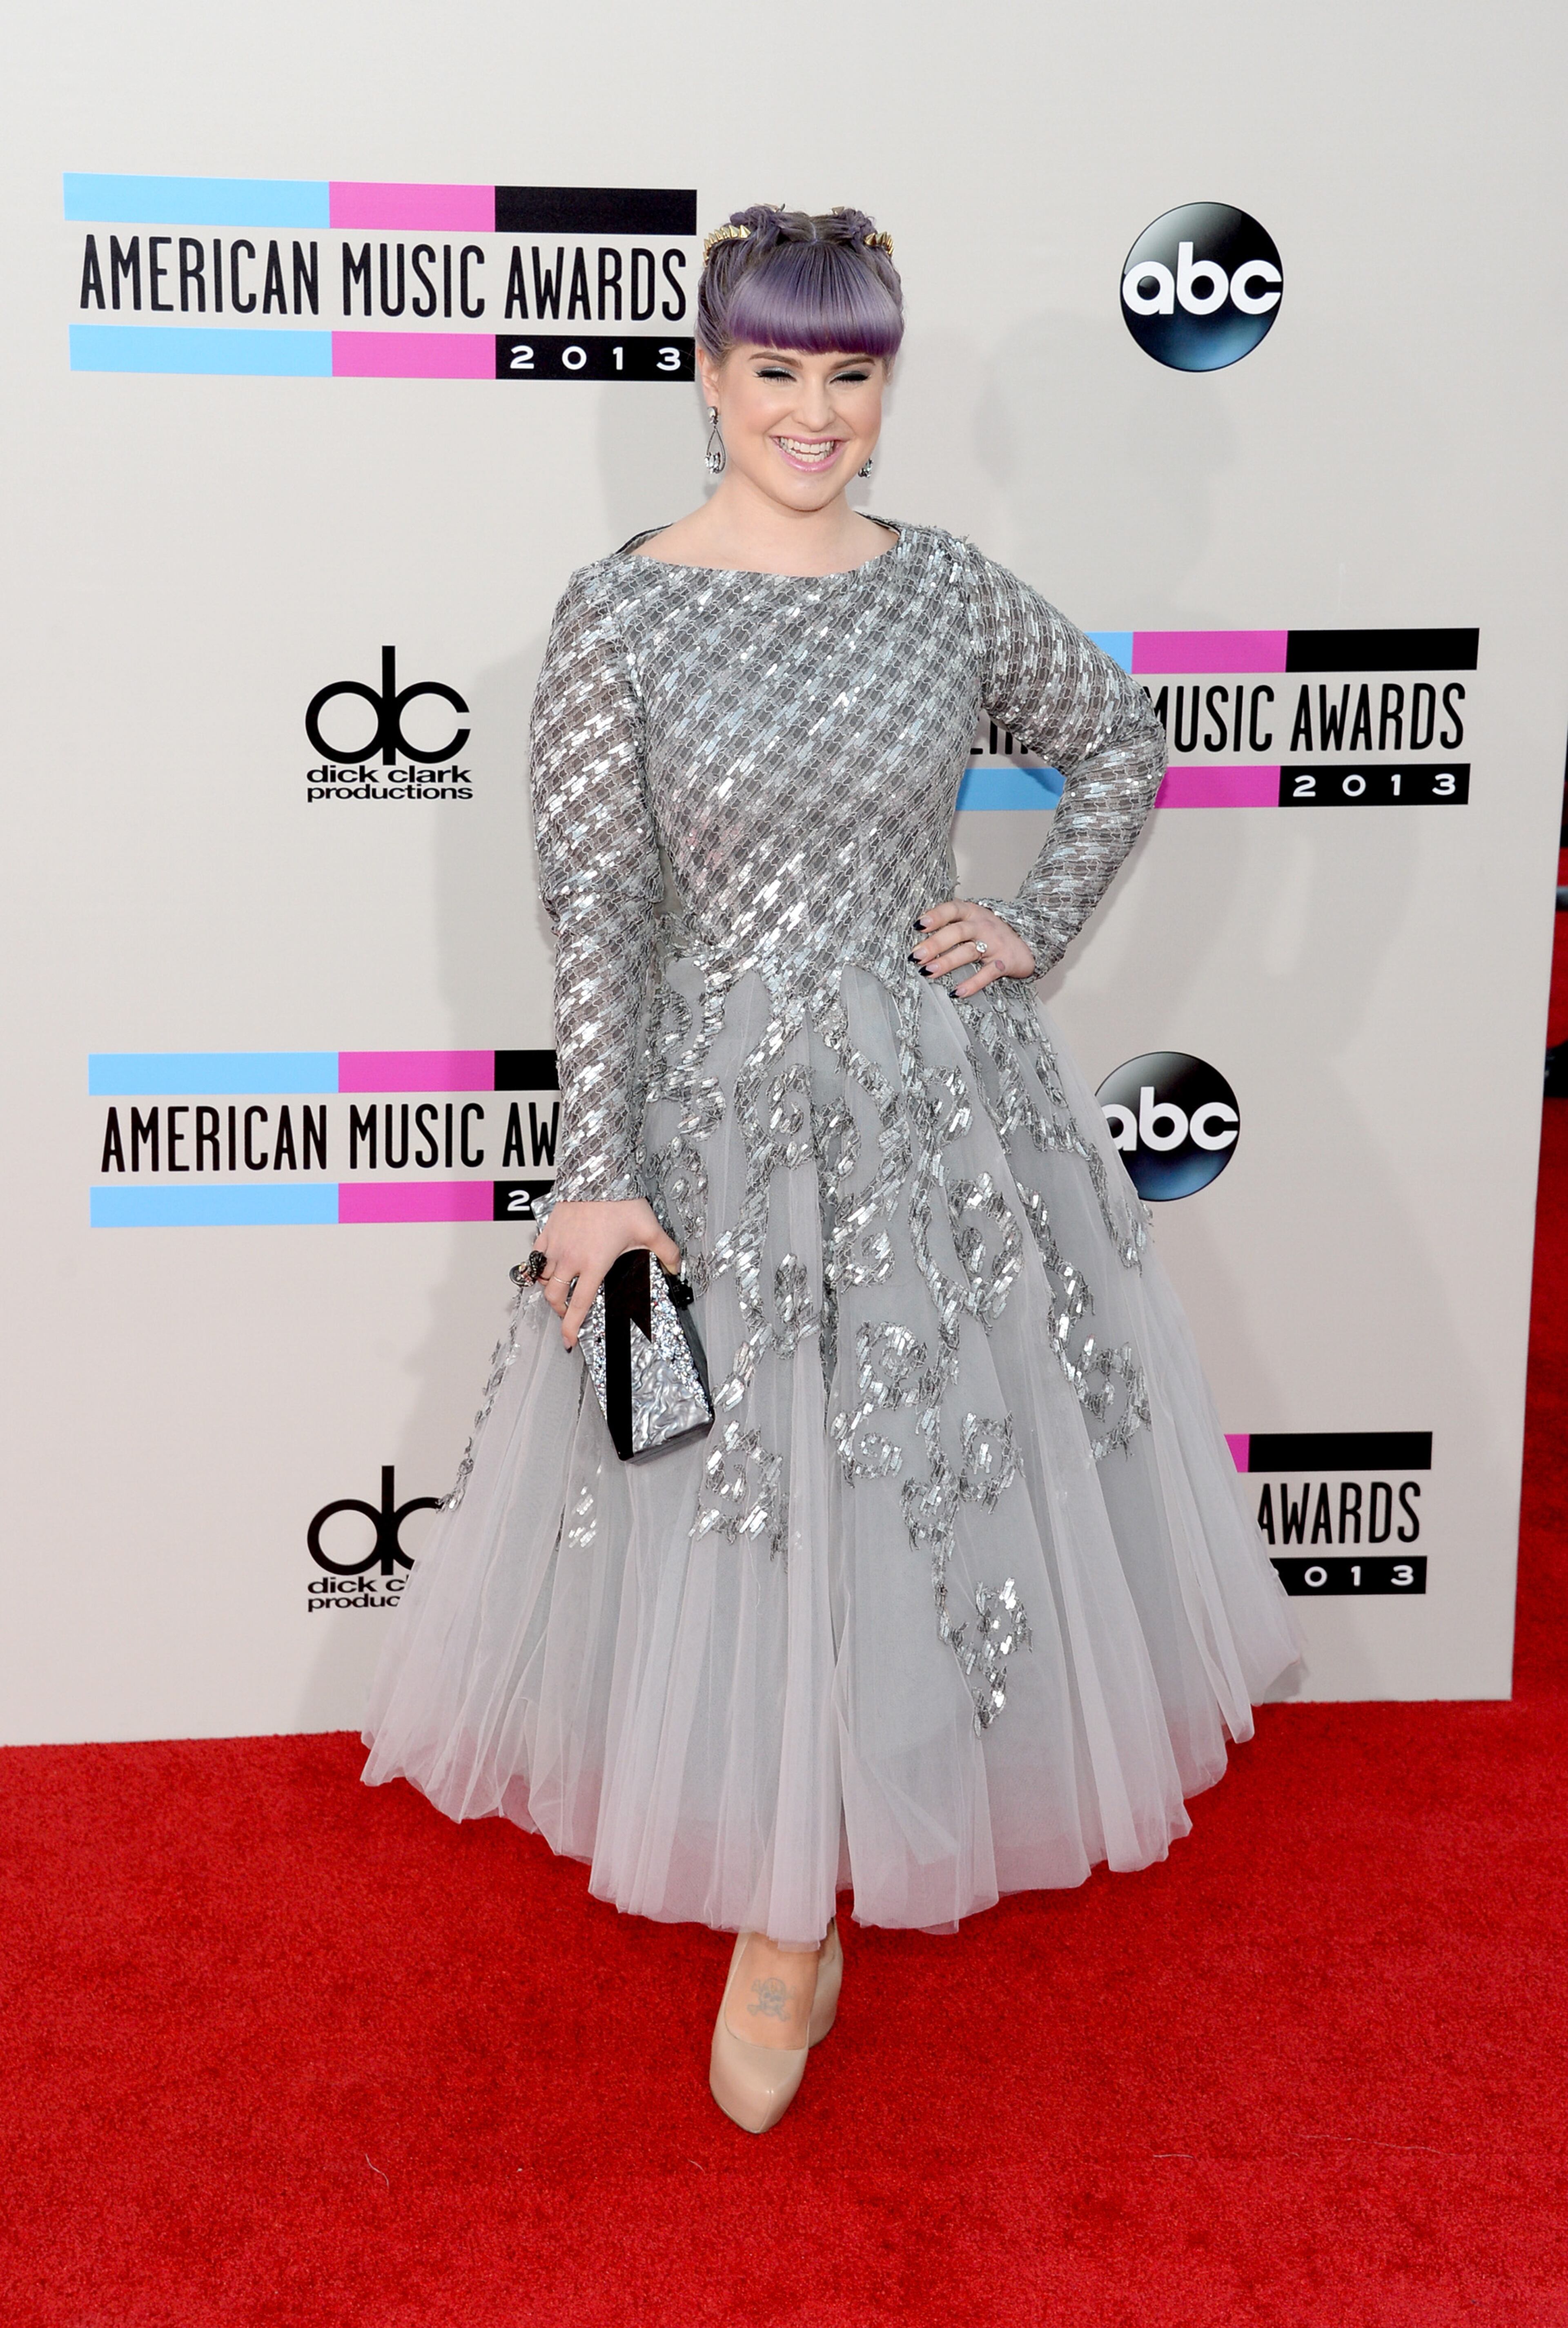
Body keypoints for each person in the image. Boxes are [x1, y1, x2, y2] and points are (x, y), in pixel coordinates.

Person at [362, 204, 1300, 2135]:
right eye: (777, 368)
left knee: (917, 1499)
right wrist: (598, 1178)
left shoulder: (943, 590)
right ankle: (783, 1913)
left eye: (851, 372)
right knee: (737, 1505)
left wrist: (1031, 923)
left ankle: (837, 1862)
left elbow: (1119, 741)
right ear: (709, 378)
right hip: (705, 1128)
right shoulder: (621, 615)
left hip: (938, 1118)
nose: (813, 410)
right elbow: (599, 916)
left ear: (885, 386)